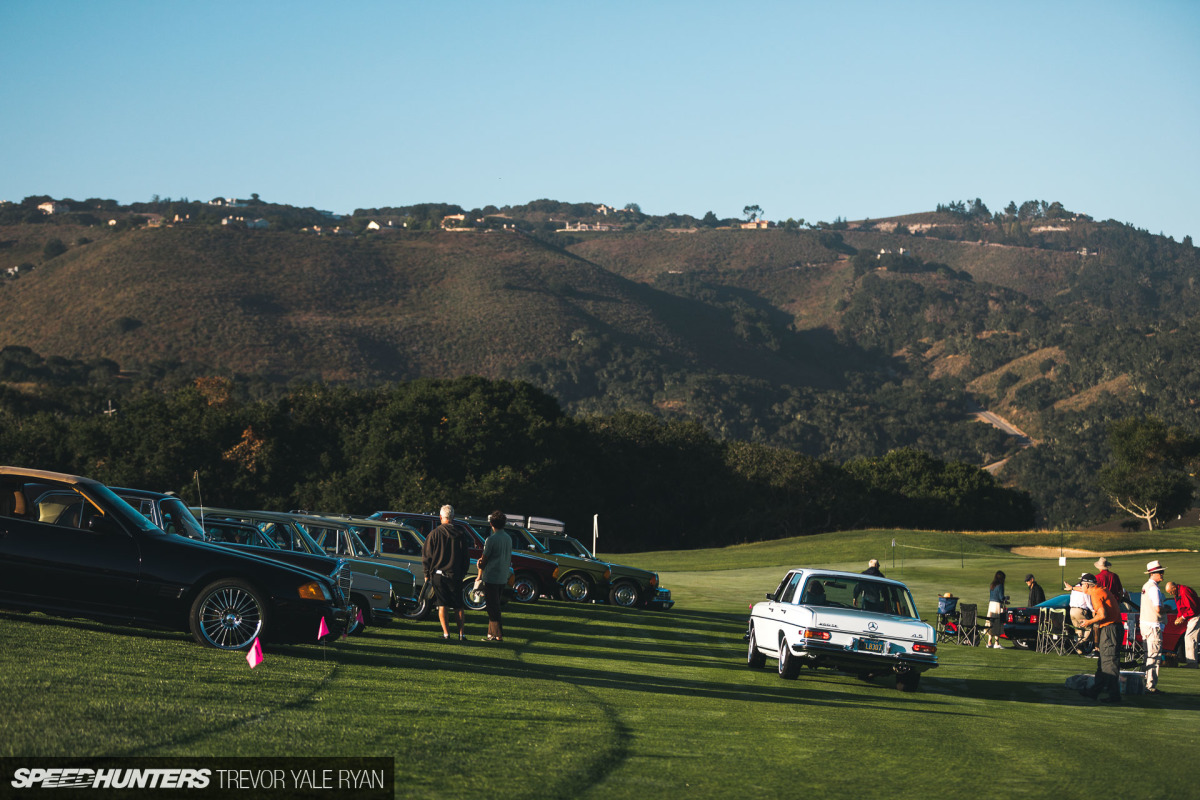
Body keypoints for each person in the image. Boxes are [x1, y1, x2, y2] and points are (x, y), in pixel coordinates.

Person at [422, 504, 470, 641]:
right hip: (455, 575)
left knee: (442, 605)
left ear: (441, 517)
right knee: (458, 606)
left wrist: (426, 574)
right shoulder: (460, 535)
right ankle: (461, 634)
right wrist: (462, 572)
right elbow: (466, 557)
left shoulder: (434, 534)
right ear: (453, 517)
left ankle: (446, 634)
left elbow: (427, 556)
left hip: (439, 575)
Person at [1077, 573, 1122, 703]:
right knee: (1103, 661)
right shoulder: (1100, 589)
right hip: (1112, 628)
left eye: (1081, 584)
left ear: (1086, 584)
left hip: (1110, 629)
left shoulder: (1095, 594)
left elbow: (1102, 615)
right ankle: (1094, 691)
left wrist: (1088, 622)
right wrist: (1072, 588)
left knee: (1109, 663)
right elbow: (1083, 589)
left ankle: (1114, 696)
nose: (1081, 586)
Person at [475, 510, 513, 642]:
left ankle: (498, 635)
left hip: (491, 576)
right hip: (503, 576)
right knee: (494, 605)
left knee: (492, 607)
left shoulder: (491, 539)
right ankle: (490, 634)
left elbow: (484, 559)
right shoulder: (508, 538)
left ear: (491, 523)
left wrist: (480, 566)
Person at [1140, 560, 1167, 693]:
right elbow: (1158, 609)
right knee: (1154, 656)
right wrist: (1166, 608)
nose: (1162, 574)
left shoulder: (1146, 586)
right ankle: (1150, 685)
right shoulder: (1154, 588)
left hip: (1145, 625)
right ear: (1153, 574)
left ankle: (1146, 682)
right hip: (1153, 626)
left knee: (1148, 656)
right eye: (1160, 572)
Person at [1164, 580, 1199, 668]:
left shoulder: (1185, 591)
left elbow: (1192, 609)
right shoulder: (1178, 593)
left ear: (1174, 588)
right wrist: (1179, 617)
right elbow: (1181, 608)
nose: (1171, 594)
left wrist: (1182, 618)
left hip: (1196, 615)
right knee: (1188, 637)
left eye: (1171, 592)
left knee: (1190, 637)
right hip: (1192, 617)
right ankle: (1191, 662)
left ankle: (1192, 663)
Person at [1064, 574, 1095, 654]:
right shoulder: (1084, 588)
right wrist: (1093, 610)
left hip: (1072, 610)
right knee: (1089, 627)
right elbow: (1088, 602)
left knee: (1078, 630)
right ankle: (1080, 644)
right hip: (1080, 610)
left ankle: (1079, 650)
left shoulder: (1074, 588)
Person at [985, 570, 1007, 648]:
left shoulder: (992, 585)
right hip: (997, 605)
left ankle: (989, 642)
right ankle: (997, 643)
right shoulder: (1000, 585)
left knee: (990, 623)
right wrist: (1005, 599)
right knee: (997, 623)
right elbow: (1001, 597)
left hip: (991, 605)